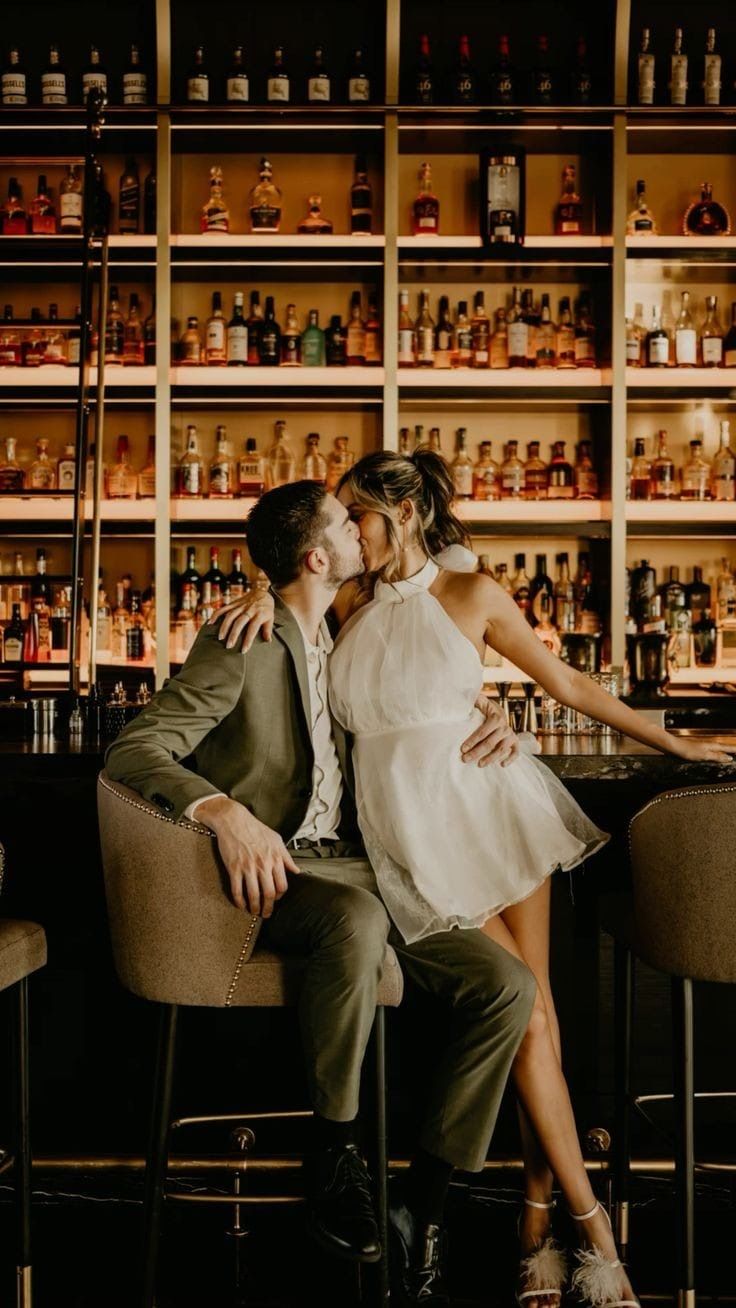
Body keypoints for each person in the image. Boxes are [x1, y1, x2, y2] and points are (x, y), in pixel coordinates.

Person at [217, 449, 734, 1308]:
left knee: (540, 1023)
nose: (350, 534)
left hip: (493, 813)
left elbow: (564, 681)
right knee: (523, 1015)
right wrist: (248, 596)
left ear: (404, 513)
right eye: (341, 523)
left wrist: (674, 744)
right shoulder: (344, 602)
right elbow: (294, 609)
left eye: (361, 518)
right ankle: (576, 1228)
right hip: (411, 844)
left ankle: (558, 1227)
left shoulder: (474, 592)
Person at [105, 479, 536, 1308]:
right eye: (346, 523)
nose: (361, 530)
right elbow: (137, 749)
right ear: (317, 555)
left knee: (505, 985)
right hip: (281, 878)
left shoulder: (348, 628)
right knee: (356, 917)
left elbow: (418, 691)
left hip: (367, 865)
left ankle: (422, 1207)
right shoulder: (241, 640)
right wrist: (223, 811)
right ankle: (334, 1156)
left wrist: (492, 712)